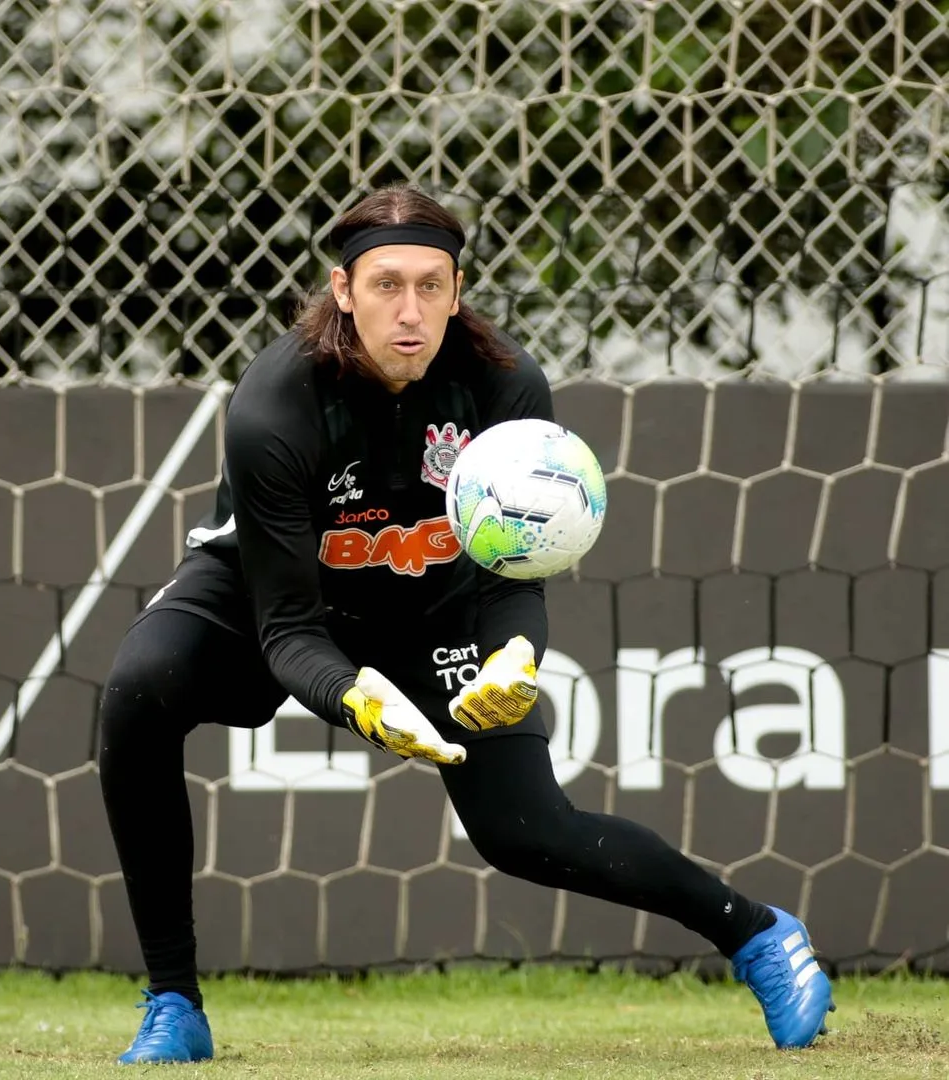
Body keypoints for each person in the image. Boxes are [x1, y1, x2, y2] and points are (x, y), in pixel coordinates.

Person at [97, 184, 835, 1064]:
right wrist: (353, 696)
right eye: (385, 286)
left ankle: (758, 936)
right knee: (138, 692)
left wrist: (517, 655)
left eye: (431, 287)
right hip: (264, 595)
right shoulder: (274, 406)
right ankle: (174, 1002)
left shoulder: (505, 383)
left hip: (435, 611)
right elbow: (287, 626)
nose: (409, 312)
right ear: (342, 290)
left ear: (457, 290)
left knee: (524, 831)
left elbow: (520, 570)